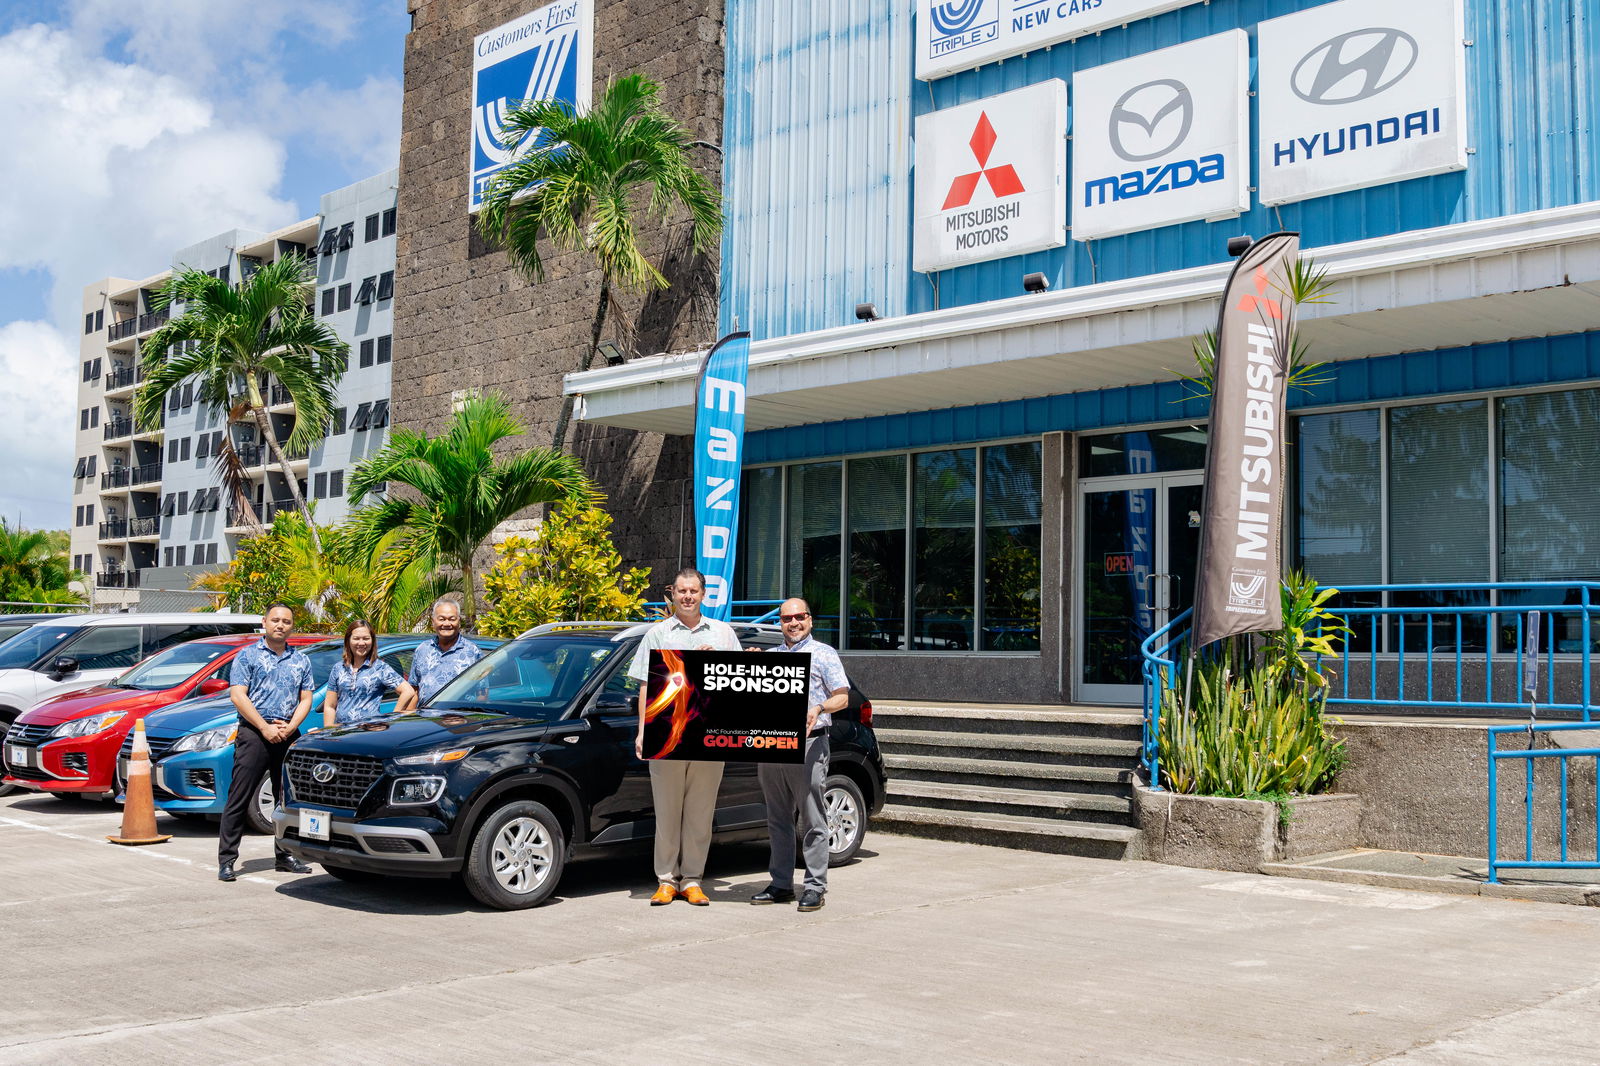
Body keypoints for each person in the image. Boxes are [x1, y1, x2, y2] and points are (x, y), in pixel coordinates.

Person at [627, 568, 741, 906]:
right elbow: (646, 687)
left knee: (700, 814)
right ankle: (666, 881)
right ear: (672, 595)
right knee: (666, 812)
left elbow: (739, 682)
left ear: (704, 594)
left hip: (710, 735)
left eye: (693, 591)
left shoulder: (724, 634)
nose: (687, 596)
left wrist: (717, 662)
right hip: (666, 735)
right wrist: (642, 732)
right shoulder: (657, 634)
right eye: (681, 591)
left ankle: (692, 880)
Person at [750, 597, 850, 913]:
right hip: (772, 743)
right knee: (777, 818)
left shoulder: (824, 654)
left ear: (810, 619)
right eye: (787, 618)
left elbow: (842, 697)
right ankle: (781, 884)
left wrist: (818, 707)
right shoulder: (772, 658)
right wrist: (750, 665)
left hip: (810, 744)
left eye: (799, 616)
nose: (793, 623)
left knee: (812, 819)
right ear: (780, 623)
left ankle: (815, 887)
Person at [218, 603, 315, 882]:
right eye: (275, 620)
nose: (280, 625)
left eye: (286, 621)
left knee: (286, 798)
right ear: (265, 622)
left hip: (287, 732)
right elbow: (238, 695)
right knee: (240, 795)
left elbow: (306, 698)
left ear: (292, 626)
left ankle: (285, 855)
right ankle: (227, 859)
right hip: (255, 732)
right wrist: (264, 727)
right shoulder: (247, 655)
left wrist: (291, 726)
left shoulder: (301, 660)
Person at [323, 619, 417, 728]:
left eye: (366, 638)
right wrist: (329, 730)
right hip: (343, 732)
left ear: (372, 640)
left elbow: (408, 691)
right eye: (356, 638)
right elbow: (330, 705)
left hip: (368, 731)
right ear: (348, 640)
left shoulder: (380, 668)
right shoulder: (339, 668)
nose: (361, 643)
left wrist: (392, 718)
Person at [408, 598, 482, 705]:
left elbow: (482, 691)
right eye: (441, 619)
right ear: (433, 622)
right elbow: (414, 689)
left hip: (460, 714)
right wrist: (411, 715)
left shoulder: (473, 652)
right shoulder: (422, 649)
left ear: (459, 621)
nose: (447, 624)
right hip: (427, 714)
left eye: (452, 619)